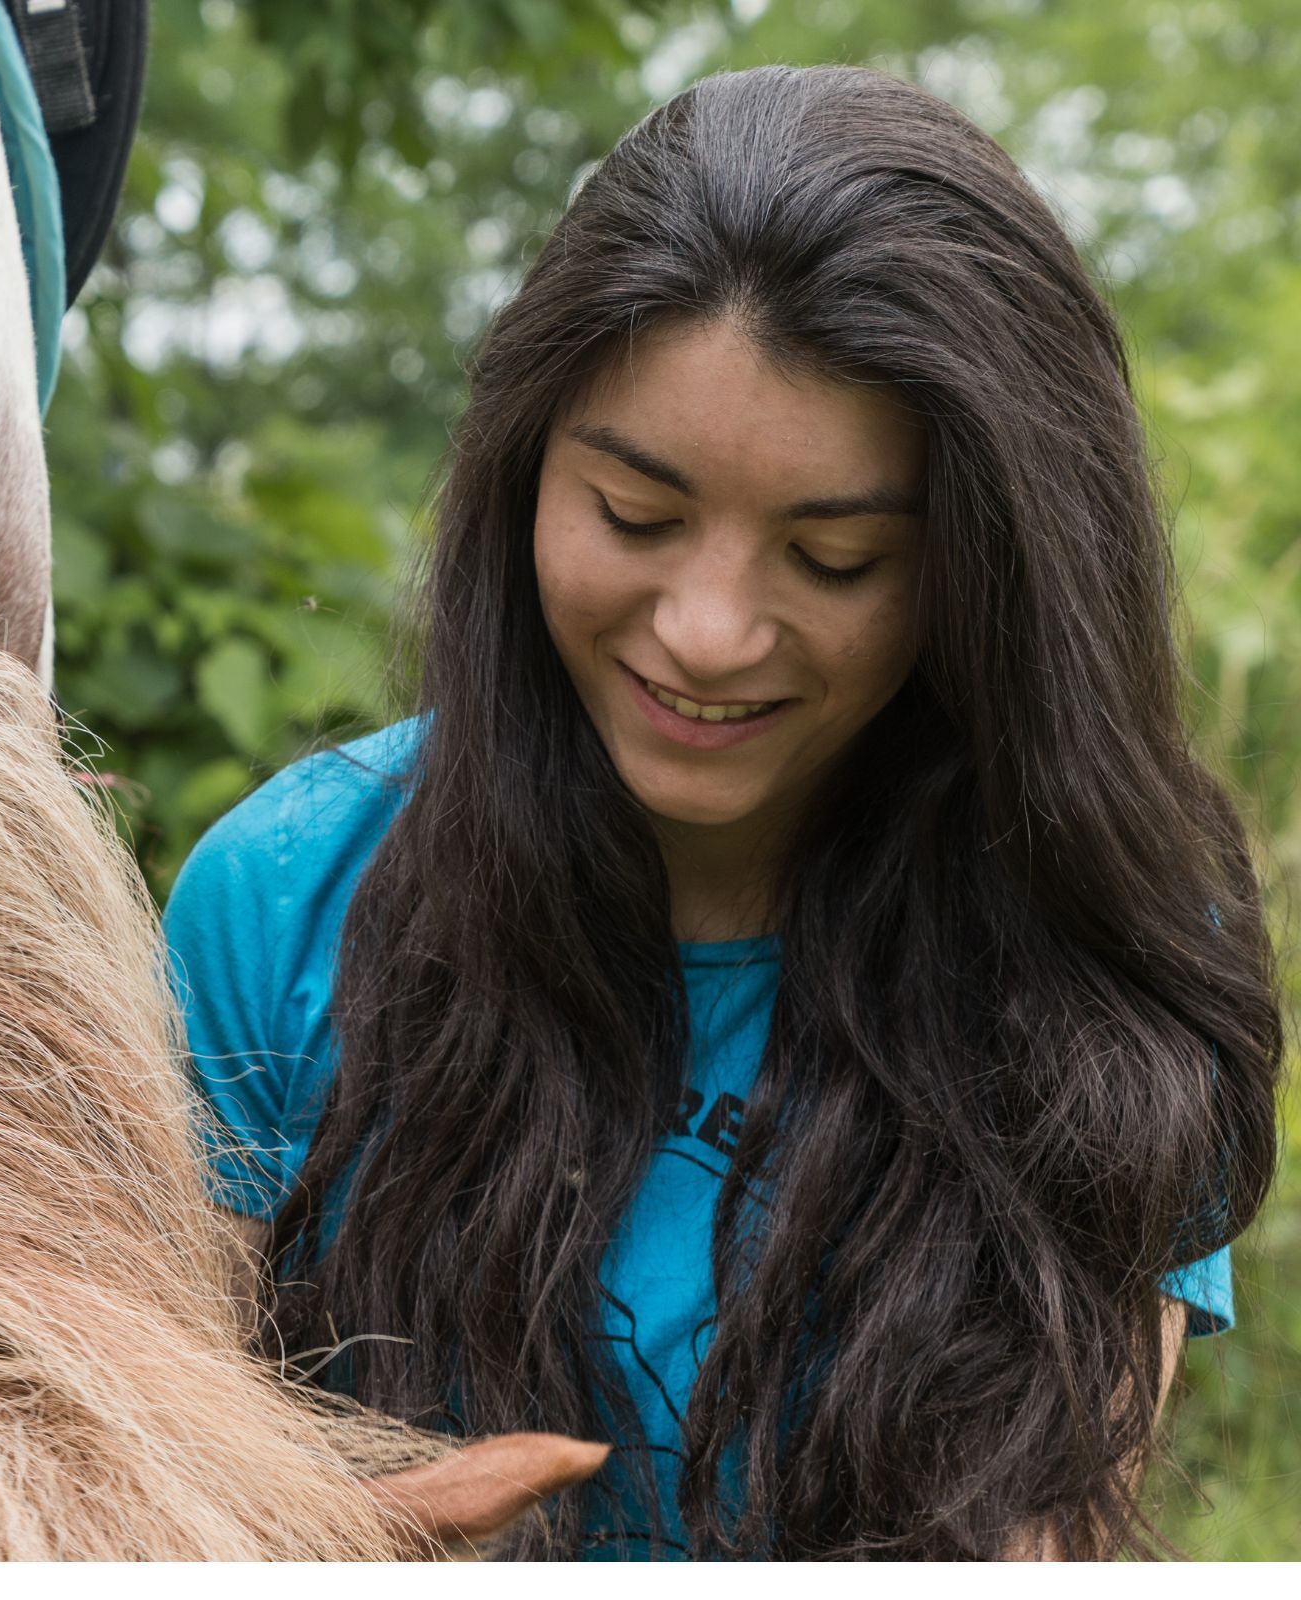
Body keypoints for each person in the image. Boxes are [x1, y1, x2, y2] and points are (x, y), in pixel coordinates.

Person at [160, 65, 1283, 1559]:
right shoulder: (282, 896)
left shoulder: (1104, 950)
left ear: (986, 576)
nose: (706, 630)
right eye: (636, 517)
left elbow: (1042, 1542)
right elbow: (148, 1500)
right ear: (523, 471)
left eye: (831, 560)